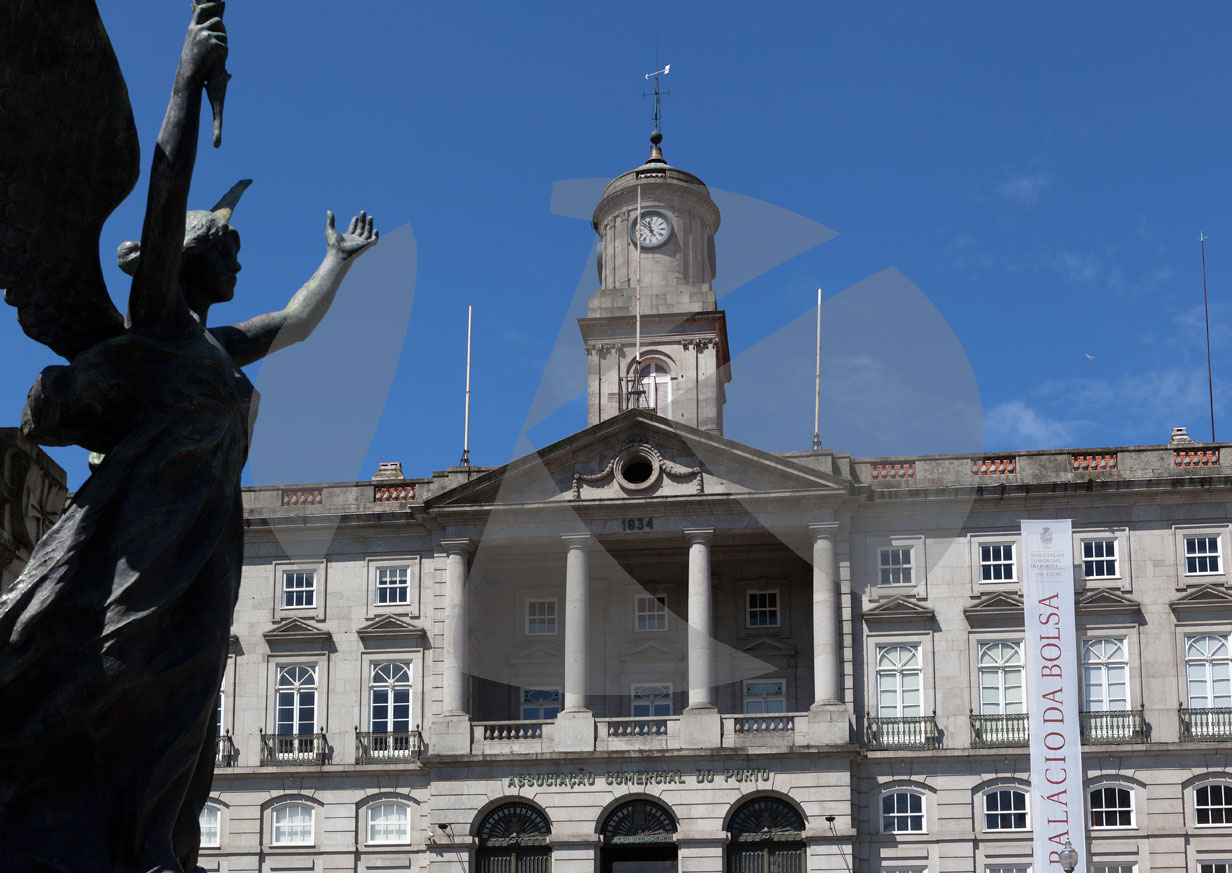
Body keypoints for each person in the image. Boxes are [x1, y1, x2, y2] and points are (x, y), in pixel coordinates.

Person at [0, 4, 378, 872]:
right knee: (108, 663)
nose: (240, 263)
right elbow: (163, 200)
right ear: (193, 255)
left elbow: (293, 322)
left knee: (184, 699)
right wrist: (181, 83)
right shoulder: (159, 318)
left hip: (205, 543)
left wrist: (338, 263)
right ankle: (37, 800)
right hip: (136, 535)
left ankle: (150, 842)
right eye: (230, 248)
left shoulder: (215, 346)